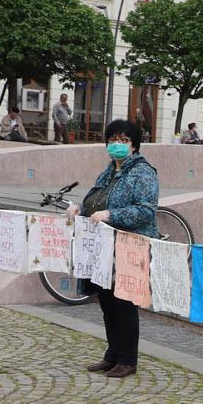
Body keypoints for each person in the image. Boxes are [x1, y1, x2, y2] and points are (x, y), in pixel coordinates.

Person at [65, 119, 160, 379]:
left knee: (124, 303)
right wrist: (80, 211)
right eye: (113, 140)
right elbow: (95, 202)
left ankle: (128, 359)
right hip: (104, 247)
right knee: (107, 302)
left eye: (124, 140)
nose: (117, 145)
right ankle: (113, 355)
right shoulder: (108, 172)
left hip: (130, 246)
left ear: (134, 145)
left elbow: (146, 211)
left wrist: (111, 214)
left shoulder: (143, 173)